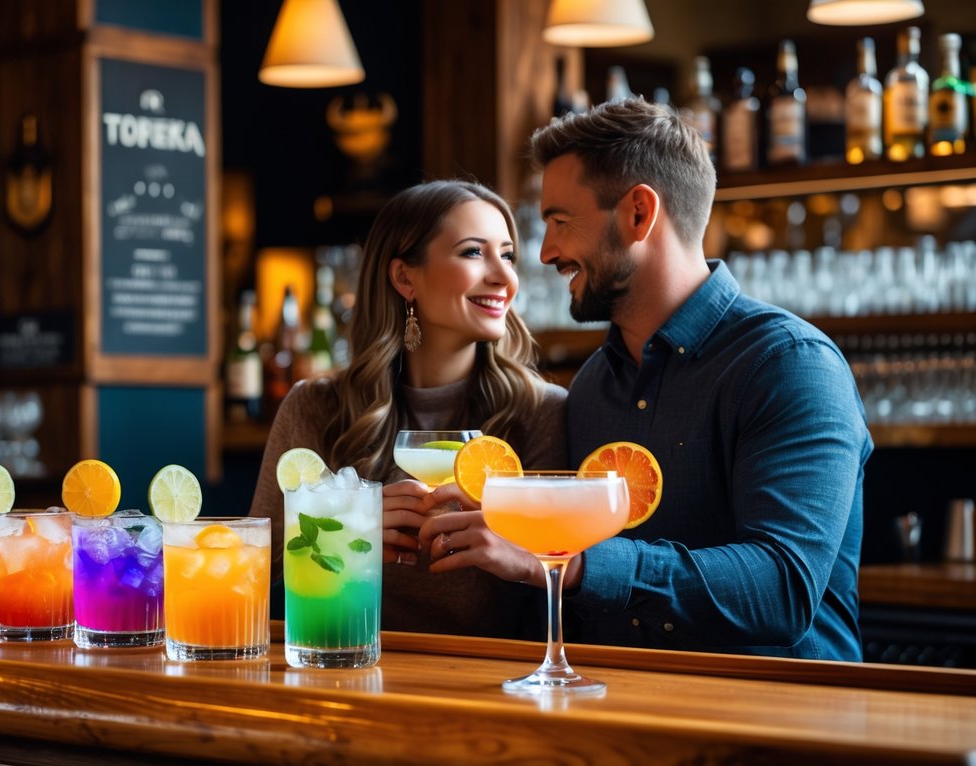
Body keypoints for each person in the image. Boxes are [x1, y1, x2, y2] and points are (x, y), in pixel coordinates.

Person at [420, 99, 871, 661]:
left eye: (560, 221)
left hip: (781, 722)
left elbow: (781, 588)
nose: (545, 251)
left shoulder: (788, 364)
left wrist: (571, 559)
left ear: (638, 213)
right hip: (624, 715)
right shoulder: (589, 388)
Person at [249, 180, 566, 639]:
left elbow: (563, 579)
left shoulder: (539, 412)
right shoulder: (316, 406)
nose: (505, 276)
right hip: (345, 670)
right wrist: (342, 537)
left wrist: (513, 546)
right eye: (474, 253)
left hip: (491, 684)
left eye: (508, 254)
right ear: (404, 278)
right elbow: (256, 569)